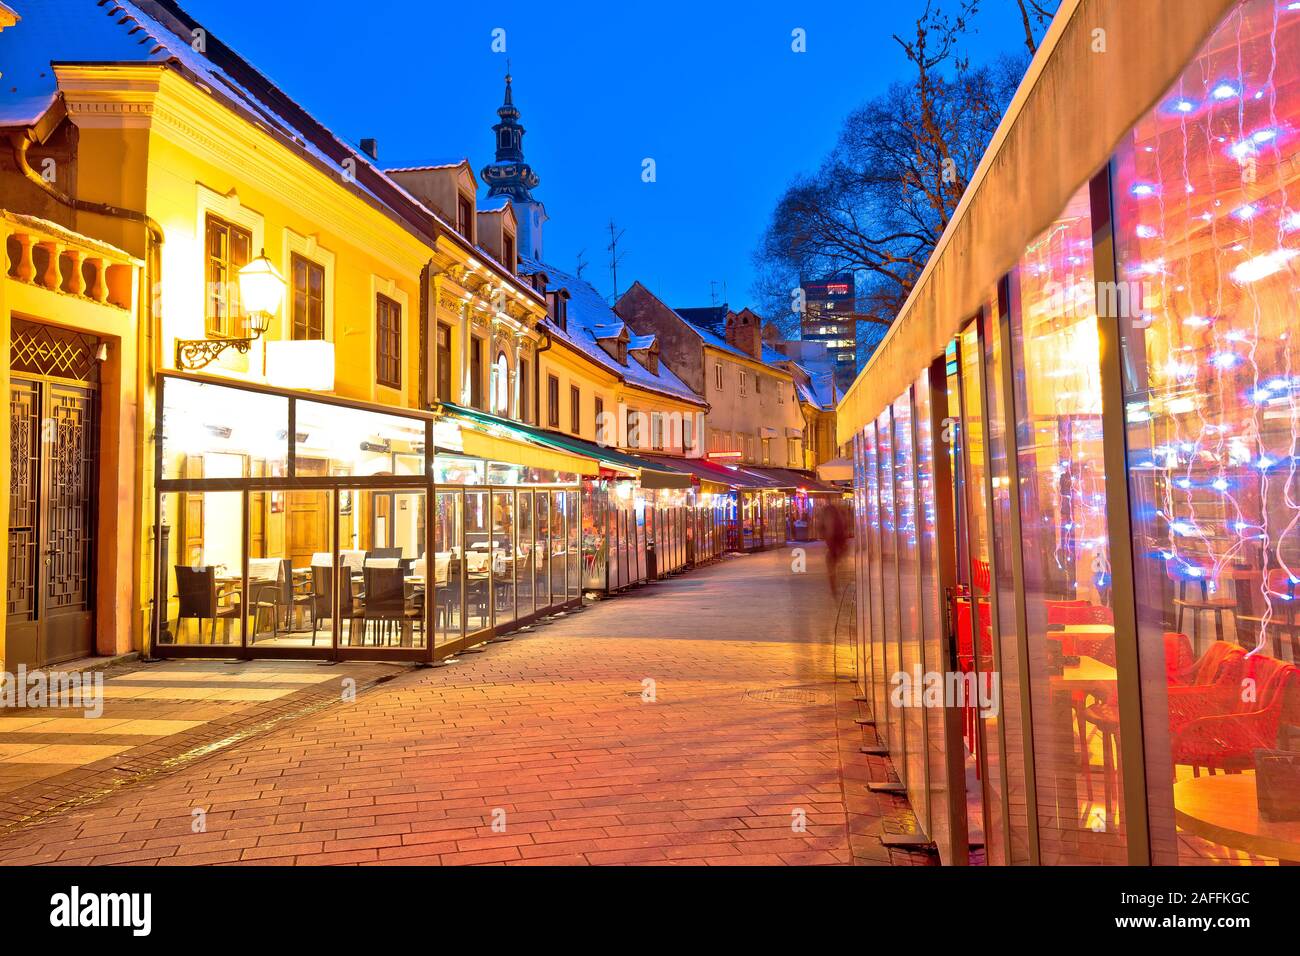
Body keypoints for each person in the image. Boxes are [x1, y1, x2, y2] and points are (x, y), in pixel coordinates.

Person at [819, 501, 849, 598]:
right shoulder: (839, 519)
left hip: (834, 546)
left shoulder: (829, 519)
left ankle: (834, 587)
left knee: (832, 566)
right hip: (836, 545)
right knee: (834, 565)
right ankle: (835, 585)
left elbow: (824, 532)